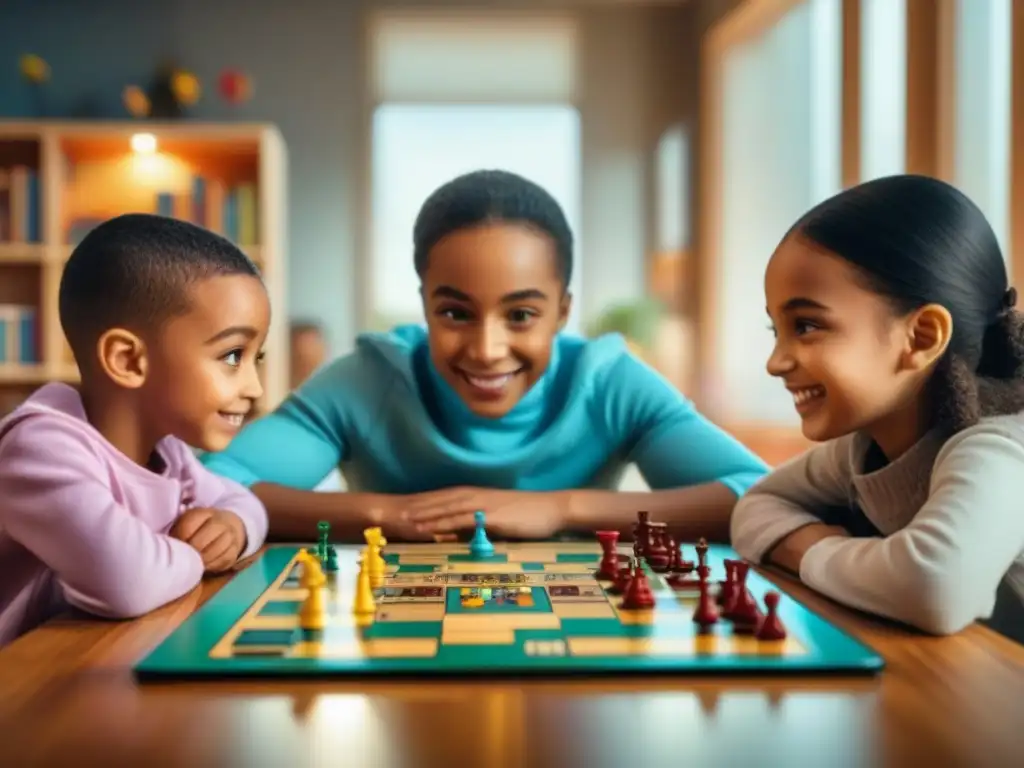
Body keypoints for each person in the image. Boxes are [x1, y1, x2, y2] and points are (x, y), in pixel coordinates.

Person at [202, 169, 768, 543]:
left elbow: (755, 494)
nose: (487, 350)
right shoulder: (367, 380)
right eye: (455, 313)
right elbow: (215, 484)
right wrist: (389, 516)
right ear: (424, 304)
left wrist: (563, 509)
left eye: (520, 315)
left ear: (563, 312)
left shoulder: (608, 381)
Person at [731, 174, 1024, 644]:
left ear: (921, 337)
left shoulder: (1000, 449)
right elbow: (756, 505)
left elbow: (934, 588)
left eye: (806, 326)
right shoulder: (864, 447)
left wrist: (810, 549)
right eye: (777, 331)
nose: (776, 362)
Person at [0, 214, 270, 647]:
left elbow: (243, 501)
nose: (255, 387)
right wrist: (196, 555)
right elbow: (127, 581)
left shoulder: (168, 452)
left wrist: (233, 527)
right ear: (127, 360)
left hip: (80, 664)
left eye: (256, 358)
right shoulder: (38, 450)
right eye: (233, 355)